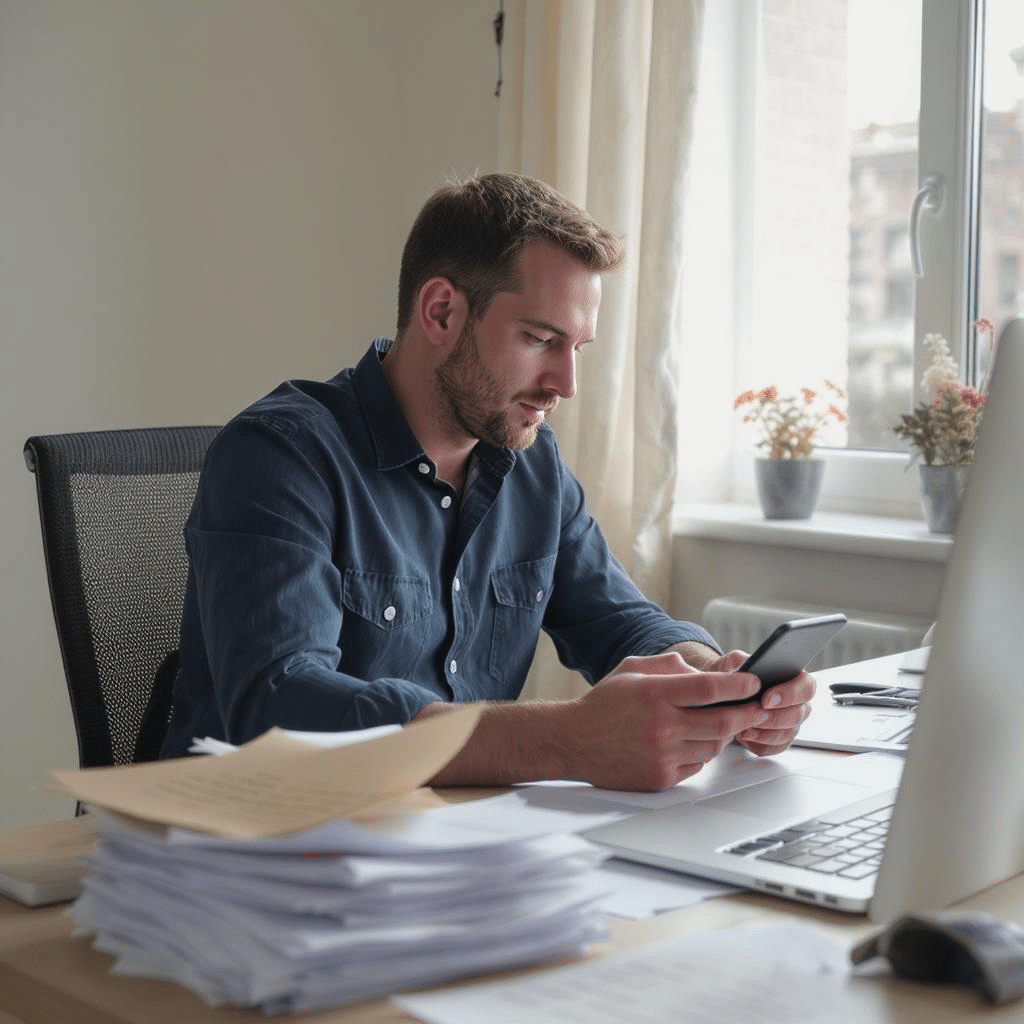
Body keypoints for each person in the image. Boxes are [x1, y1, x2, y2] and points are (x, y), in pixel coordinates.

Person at [161, 172, 815, 788]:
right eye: (539, 339)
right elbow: (282, 707)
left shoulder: (532, 466)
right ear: (442, 312)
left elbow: (621, 623)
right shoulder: (281, 456)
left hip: (455, 848)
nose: (566, 384)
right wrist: (565, 740)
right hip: (252, 855)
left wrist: (715, 681)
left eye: (576, 350)